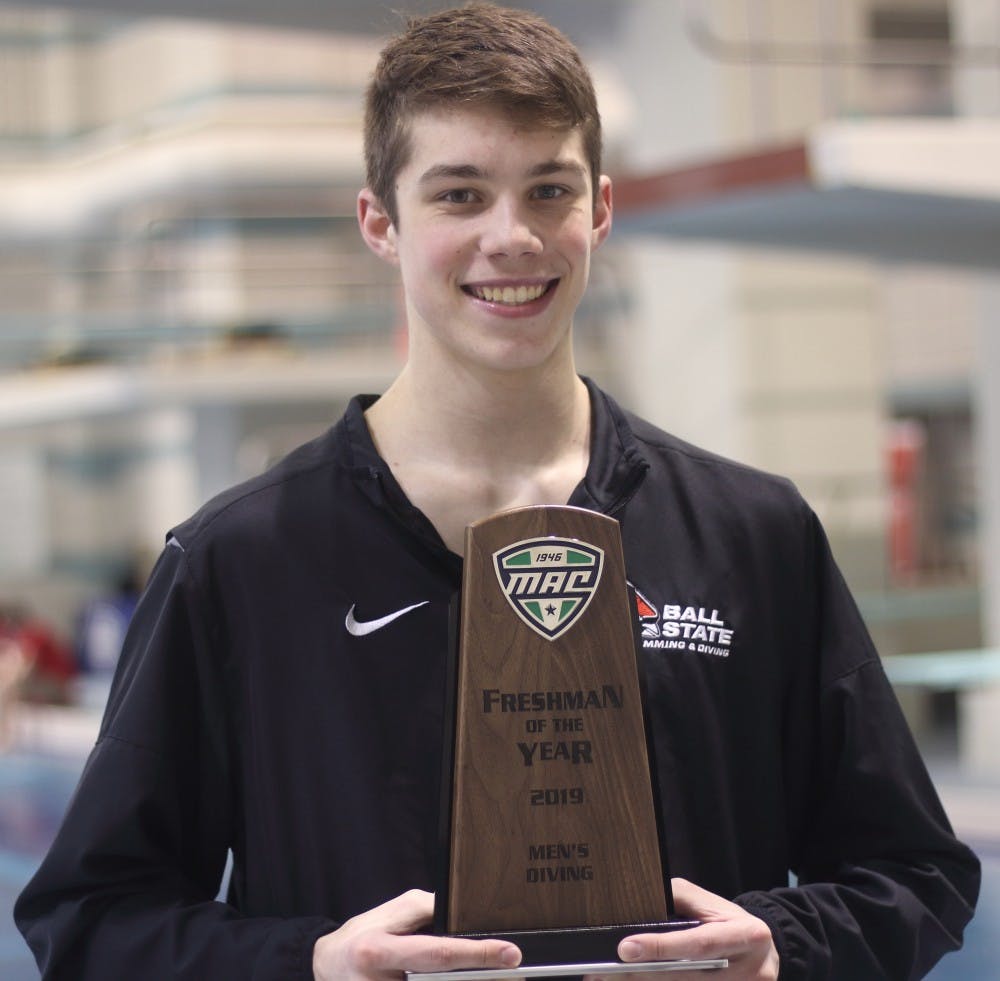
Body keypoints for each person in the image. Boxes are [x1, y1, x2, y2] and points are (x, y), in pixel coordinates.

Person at [16, 4, 979, 979]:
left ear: (599, 211)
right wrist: (306, 964)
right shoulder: (241, 561)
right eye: (460, 195)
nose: (511, 237)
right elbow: (91, 920)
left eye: (548, 190)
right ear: (380, 223)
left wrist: (783, 950)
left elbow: (912, 873)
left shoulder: (752, 535)